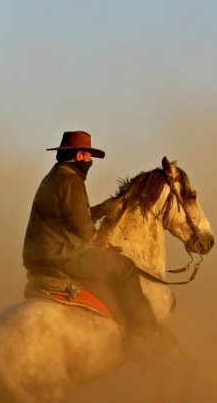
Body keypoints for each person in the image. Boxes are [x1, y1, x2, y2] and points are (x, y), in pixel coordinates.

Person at [22, 131, 163, 347]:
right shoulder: (71, 181)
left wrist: (100, 210)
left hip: (40, 254)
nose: (89, 162)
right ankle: (143, 334)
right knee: (124, 267)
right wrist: (99, 241)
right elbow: (82, 227)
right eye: (88, 157)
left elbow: (69, 215)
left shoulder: (53, 177)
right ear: (80, 156)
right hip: (62, 255)